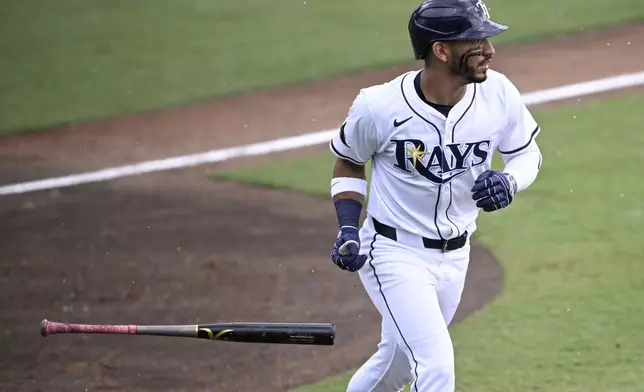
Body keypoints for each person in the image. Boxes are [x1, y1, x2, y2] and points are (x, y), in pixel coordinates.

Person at [327, 0, 543, 391]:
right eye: (476, 42)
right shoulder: (378, 107)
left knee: (395, 368)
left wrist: (509, 182)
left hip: (456, 255)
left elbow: (526, 154)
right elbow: (348, 162)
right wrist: (347, 227)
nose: (489, 51)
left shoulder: (498, 94)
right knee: (436, 366)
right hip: (394, 253)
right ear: (442, 51)